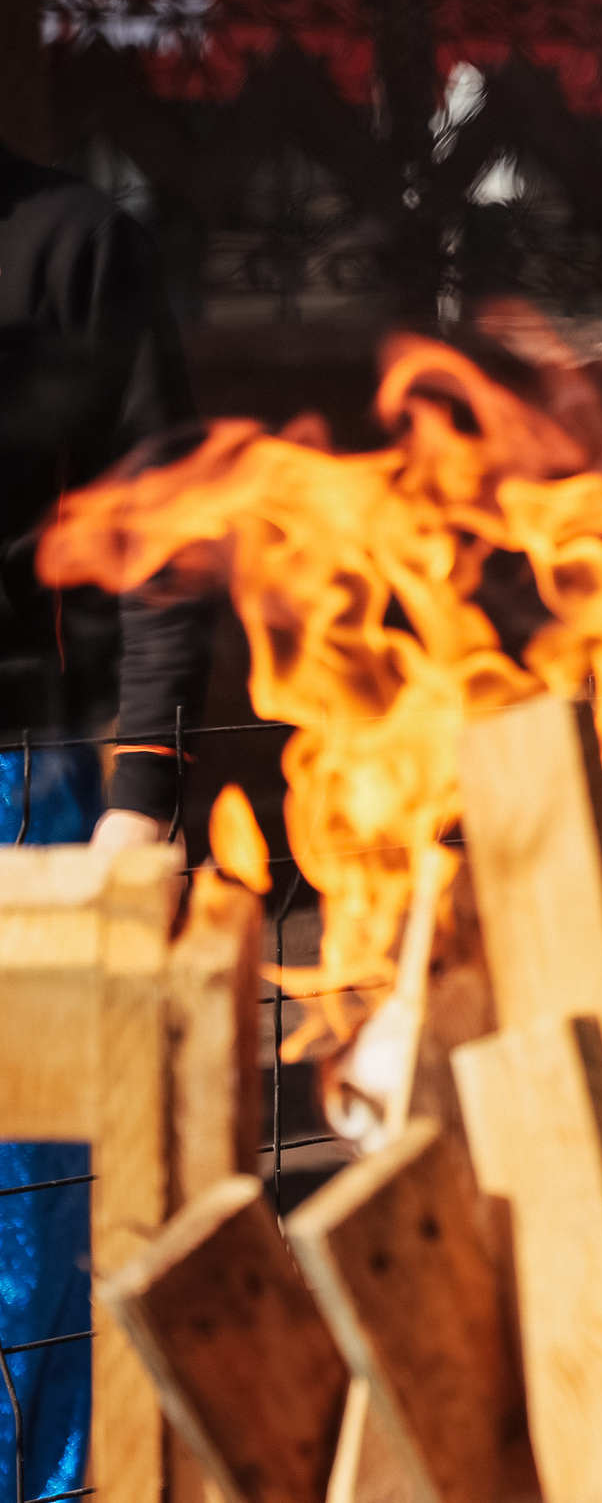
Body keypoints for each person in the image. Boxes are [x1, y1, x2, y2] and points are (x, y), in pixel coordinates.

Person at [0, 148, 211, 1500]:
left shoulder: (73, 241)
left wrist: (139, 791)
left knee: (28, 1213)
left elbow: (165, 533)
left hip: (25, 786)